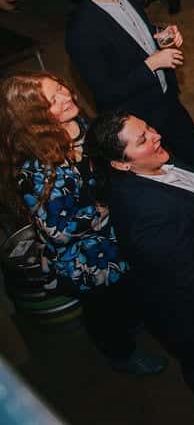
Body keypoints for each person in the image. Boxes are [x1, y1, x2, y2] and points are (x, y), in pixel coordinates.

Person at [86, 112, 194, 425]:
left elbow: (188, 205)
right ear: (122, 164)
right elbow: (190, 280)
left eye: (149, 127)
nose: (156, 136)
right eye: (143, 139)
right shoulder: (146, 216)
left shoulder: (154, 162)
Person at [0, 74, 167, 376]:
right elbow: (58, 230)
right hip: (86, 259)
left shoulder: (81, 126)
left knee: (128, 290)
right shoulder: (37, 167)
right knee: (103, 309)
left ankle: (132, 317)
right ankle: (120, 353)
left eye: (62, 89)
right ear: (33, 116)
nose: (67, 98)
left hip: (117, 237)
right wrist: (106, 208)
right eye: (54, 100)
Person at [65, 0, 194, 170]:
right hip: (139, 120)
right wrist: (151, 64)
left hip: (168, 100)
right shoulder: (82, 32)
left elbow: (131, 35)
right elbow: (106, 93)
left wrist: (160, 34)